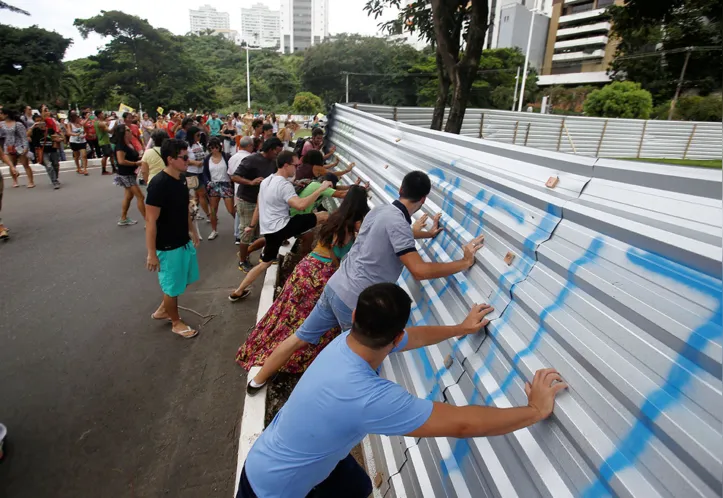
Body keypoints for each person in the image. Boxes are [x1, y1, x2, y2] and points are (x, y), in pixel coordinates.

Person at [239, 283, 568, 498]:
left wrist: (461, 328)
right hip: (272, 490)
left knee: (358, 486)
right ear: (394, 337)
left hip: (275, 458)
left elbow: (417, 336)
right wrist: (535, 411)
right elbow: (462, 424)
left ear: (355, 316)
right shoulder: (367, 396)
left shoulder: (347, 341)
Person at [246, 171, 484, 393]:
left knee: (299, 338)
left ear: (401, 189)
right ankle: (334, 403)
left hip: (335, 286)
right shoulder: (399, 224)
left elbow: (394, 234)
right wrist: (463, 263)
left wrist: (425, 233)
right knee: (359, 363)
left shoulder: (380, 211)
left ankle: (257, 380)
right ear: (424, 199)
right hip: (354, 301)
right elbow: (419, 270)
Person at [236, 186, 369, 373]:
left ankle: (266, 349)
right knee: (311, 321)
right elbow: (334, 252)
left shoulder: (335, 218)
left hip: (305, 268)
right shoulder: (350, 226)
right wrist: (339, 268)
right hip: (320, 276)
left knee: (286, 313)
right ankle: (285, 357)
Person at [229, 151, 332, 302]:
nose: (296, 168)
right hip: (282, 227)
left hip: (270, 230)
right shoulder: (284, 185)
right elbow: (301, 205)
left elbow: (259, 205)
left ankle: (238, 291)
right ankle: (331, 251)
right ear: (286, 165)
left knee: (265, 263)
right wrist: (321, 188)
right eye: (295, 165)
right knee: (324, 216)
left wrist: (252, 225)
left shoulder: (266, 181)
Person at [145, 139, 201, 339]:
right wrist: (152, 253)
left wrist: (192, 231)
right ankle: (176, 322)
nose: (188, 161)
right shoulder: (158, 184)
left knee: (182, 280)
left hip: (182, 241)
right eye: (184, 157)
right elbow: (150, 221)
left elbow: (184, 208)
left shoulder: (182, 179)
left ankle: (163, 309)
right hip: (167, 246)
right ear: (170, 159)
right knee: (172, 286)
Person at [231, 138, 283, 271]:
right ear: (270, 150)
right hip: (247, 200)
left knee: (268, 231)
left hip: (263, 201)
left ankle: (262, 254)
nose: (278, 155)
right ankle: (242, 261)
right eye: (277, 152)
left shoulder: (274, 162)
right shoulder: (251, 159)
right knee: (247, 232)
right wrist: (251, 182)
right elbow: (234, 177)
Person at [203, 137, 236, 240]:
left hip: (226, 184)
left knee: (231, 209)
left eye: (216, 147)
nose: (214, 150)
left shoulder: (226, 157)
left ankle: (240, 226)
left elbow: (232, 168)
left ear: (220, 147)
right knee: (213, 210)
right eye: (212, 148)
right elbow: (204, 173)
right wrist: (207, 182)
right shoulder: (207, 159)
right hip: (213, 185)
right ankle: (214, 230)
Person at [113, 124, 145, 226]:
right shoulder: (120, 146)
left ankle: (123, 218)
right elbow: (121, 161)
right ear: (123, 133)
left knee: (128, 196)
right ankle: (148, 221)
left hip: (130, 173)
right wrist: (136, 163)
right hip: (126, 174)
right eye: (127, 130)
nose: (130, 131)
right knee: (140, 197)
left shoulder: (129, 144)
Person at [229, 136, 255, 245]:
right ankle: (245, 238)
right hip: (247, 190)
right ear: (249, 146)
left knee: (240, 214)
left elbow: (230, 174)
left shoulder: (233, 157)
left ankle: (238, 236)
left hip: (236, 189)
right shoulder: (251, 158)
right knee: (247, 216)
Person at [0, 108, 35, 188]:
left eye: (1, 113)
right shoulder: (2, 124)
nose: (0, 115)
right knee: (12, 164)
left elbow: (24, 136)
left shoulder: (18, 124)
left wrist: (25, 147)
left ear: (6, 114)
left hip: (19, 146)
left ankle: (31, 181)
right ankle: (15, 181)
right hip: (8, 146)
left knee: (25, 164)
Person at [185, 126, 212, 222]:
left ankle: (195, 212)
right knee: (202, 193)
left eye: (200, 135)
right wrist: (194, 163)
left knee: (198, 194)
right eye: (197, 135)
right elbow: (183, 158)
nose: (199, 137)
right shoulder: (186, 146)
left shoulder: (198, 144)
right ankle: (209, 215)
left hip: (201, 172)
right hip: (191, 173)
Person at [29, 117, 61, 189]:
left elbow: (57, 135)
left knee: (56, 164)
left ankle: (55, 177)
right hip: (43, 151)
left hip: (52, 149)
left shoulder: (50, 129)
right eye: (37, 121)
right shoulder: (35, 131)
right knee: (49, 165)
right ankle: (54, 181)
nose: (40, 123)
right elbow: (27, 135)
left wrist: (58, 139)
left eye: (40, 121)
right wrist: (33, 126)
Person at [94, 110, 116, 175]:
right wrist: (114, 125)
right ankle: (103, 170)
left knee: (111, 155)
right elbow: (109, 131)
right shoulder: (100, 123)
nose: (103, 114)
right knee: (105, 156)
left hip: (106, 140)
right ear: (99, 115)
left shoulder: (98, 122)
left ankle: (114, 168)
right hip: (103, 141)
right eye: (102, 113)